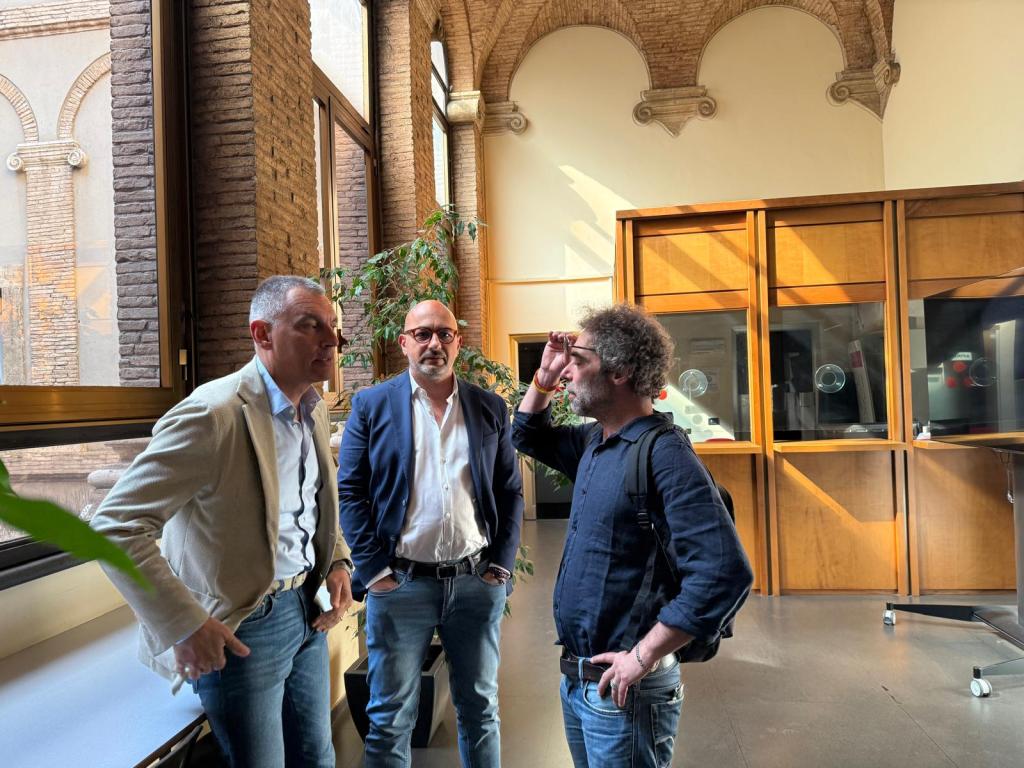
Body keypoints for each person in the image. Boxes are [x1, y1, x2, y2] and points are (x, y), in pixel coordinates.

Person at [91, 275, 354, 768]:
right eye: (310, 325)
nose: (330, 339)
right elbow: (116, 525)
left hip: (308, 610)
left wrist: (337, 560)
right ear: (262, 334)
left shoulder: (314, 411)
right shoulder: (211, 415)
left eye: (333, 327)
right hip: (243, 626)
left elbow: (314, 504)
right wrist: (186, 624)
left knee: (318, 757)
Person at [512, 303, 753, 768]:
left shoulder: (664, 454)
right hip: (581, 679)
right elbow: (526, 433)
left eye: (578, 362)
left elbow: (725, 572)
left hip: (628, 691)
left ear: (619, 371)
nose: (567, 376)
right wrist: (542, 376)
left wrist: (641, 657)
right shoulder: (596, 441)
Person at [338, 299, 523, 768]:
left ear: (458, 342)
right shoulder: (371, 405)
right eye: (423, 334)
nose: (434, 343)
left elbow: (510, 491)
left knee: (480, 711)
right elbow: (351, 492)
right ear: (404, 343)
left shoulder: (489, 408)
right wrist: (375, 570)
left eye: (444, 333)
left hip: (475, 583)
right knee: (389, 718)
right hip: (400, 587)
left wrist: (499, 565)